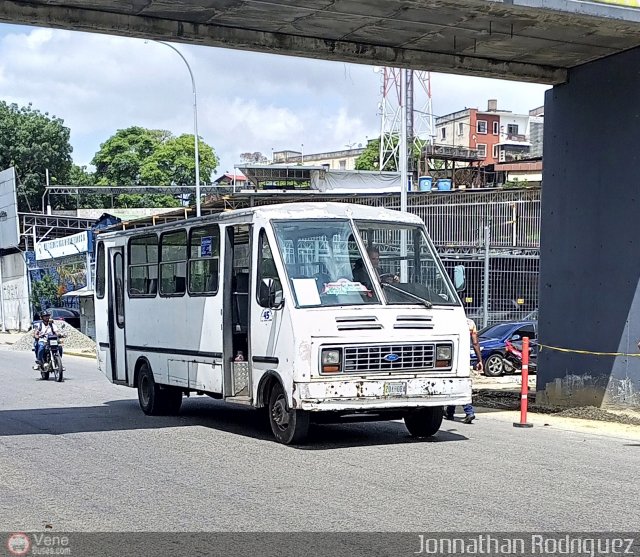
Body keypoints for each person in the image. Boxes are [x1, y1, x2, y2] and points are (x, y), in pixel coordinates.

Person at [445, 318, 483, 424]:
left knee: (452, 383)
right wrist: (480, 360)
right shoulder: (470, 323)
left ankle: (468, 411)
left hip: (448, 358)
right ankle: (450, 411)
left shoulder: (449, 320)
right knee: (461, 383)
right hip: (464, 359)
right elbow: (475, 343)